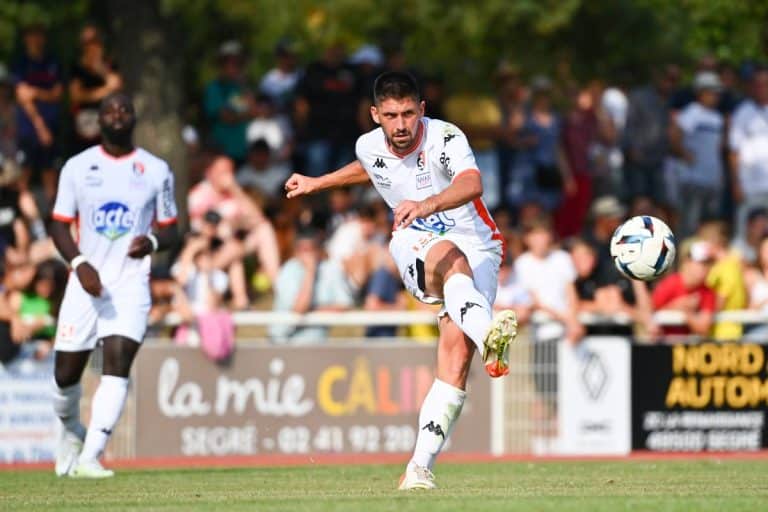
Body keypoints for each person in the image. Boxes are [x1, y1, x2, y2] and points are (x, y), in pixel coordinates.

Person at [285, 71, 517, 490]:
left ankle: (417, 468)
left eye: (409, 113)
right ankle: (489, 334)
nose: (401, 124)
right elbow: (370, 167)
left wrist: (426, 202)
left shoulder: (446, 138)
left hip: (481, 243)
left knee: (455, 355)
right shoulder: (369, 145)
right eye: (390, 115)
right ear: (375, 115)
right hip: (415, 238)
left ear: (422, 110)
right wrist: (319, 182)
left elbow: (472, 182)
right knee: (451, 260)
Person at [48, 93, 179, 478]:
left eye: (124, 109)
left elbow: (173, 230)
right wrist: (78, 262)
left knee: (117, 366)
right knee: (65, 376)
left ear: (134, 118)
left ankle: (91, 456)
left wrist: (152, 243)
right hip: (85, 283)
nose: (118, 115)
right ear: (99, 120)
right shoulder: (77, 166)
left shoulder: (156, 169)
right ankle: (71, 429)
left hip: (129, 284)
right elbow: (57, 222)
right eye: (110, 110)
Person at [668, 71, 725, 237]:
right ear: (701, 92)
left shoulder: (717, 117)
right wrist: (685, 154)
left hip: (712, 181)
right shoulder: (693, 112)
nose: (716, 95)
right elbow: (674, 134)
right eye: (713, 91)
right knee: (689, 226)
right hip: (693, 180)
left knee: (708, 225)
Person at [11, 24, 64, 202]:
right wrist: (40, 126)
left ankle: (52, 220)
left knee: (50, 173)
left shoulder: (52, 62)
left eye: (39, 34)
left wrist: (36, 92)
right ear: (26, 38)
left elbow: (57, 93)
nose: (36, 39)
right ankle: (23, 219)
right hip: (29, 130)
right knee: (24, 174)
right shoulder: (20, 64)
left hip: (52, 126)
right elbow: (22, 96)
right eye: (32, 35)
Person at [68, 24, 123, 153]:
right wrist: (106, 90)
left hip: (108, 127)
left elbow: (117, 84)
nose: (91, 47)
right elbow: (76, 96)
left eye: (94, 41)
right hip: (84, 127)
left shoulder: (109, 64)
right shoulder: (77, 68)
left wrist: (100, 68)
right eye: (86, 43)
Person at [652, 239, 717, 337]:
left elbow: (703, 327)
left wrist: (685, 312)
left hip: (688, 348)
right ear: (687, 262)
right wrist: (677, 306)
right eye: (701, 263)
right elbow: (650, 317)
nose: (705, 268)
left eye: (708, 263)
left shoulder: (707, 292)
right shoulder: (669, 284)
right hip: (662, 345)